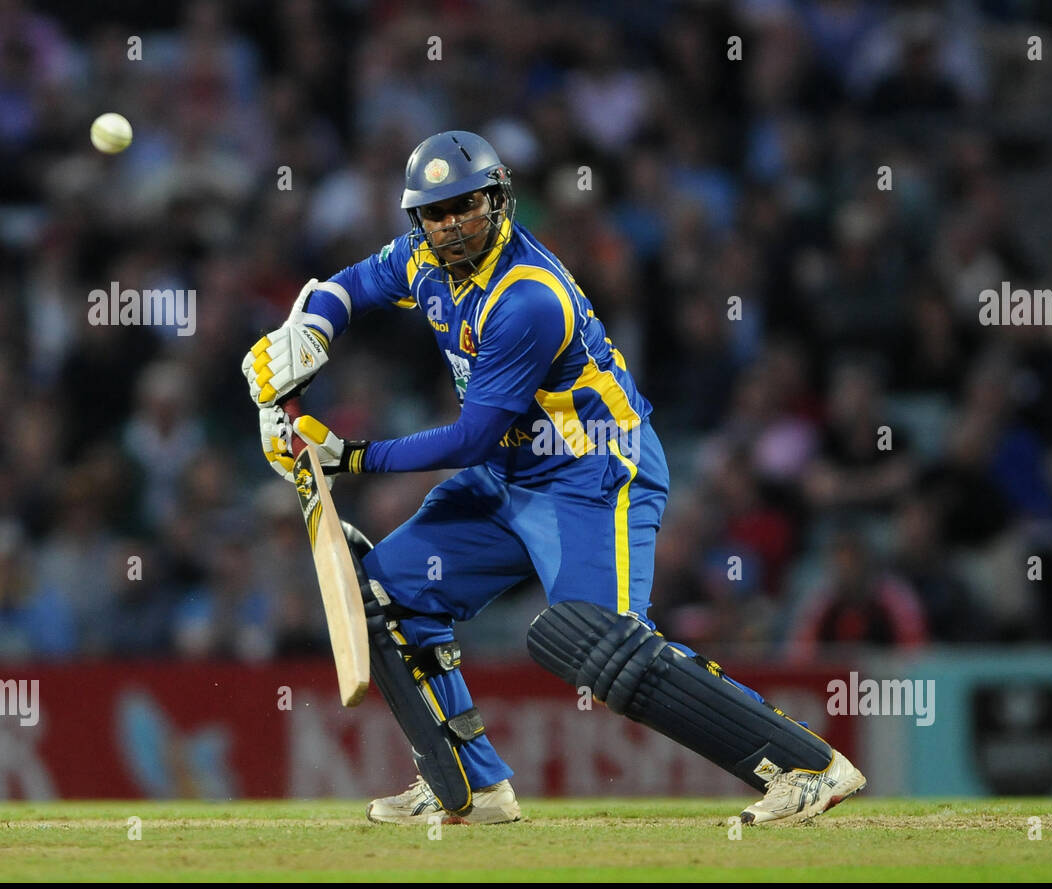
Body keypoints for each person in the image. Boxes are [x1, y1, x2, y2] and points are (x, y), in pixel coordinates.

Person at [241, 131, 865, 825]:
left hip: (593, 474)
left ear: (500, 199)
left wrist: (348, 456)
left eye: (465, 206)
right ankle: (470, 788)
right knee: (386, 593)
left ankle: (804, 766)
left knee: (597, 641)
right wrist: (312, 331)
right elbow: (350, 285)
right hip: (509, 476)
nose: (450, 225)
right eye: (435, 212)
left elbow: (471, 436)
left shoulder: (528, 298)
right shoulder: (423, 256)